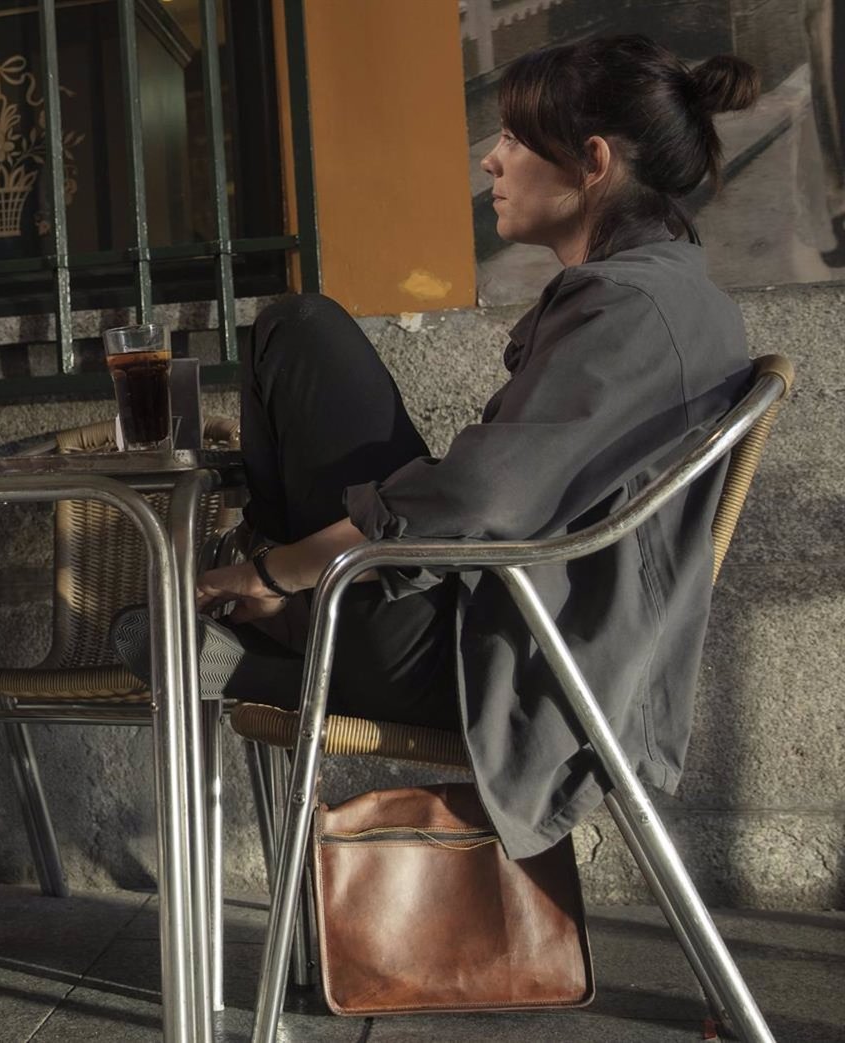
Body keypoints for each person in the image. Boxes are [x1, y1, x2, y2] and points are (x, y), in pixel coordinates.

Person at [116, 36, 760, 860]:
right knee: (303, 345)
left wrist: (269, 570)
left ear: (593, 162)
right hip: (514, 636)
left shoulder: (632, 309)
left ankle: (277, 628)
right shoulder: (670, 293)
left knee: (298, 329)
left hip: (501, 664)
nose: (492, 159)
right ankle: (286, 628)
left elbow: (478, 498)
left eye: (515, 139)